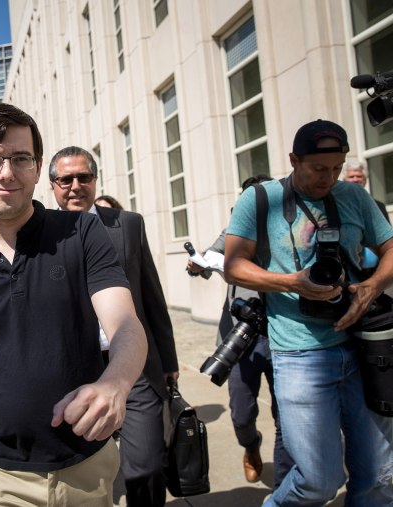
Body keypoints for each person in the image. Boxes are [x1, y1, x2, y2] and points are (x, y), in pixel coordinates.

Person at [0, 103, 148, 507]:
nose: (6, 173)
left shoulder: (82, 232)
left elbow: (126, 325)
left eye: (20, 159)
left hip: (88, 469)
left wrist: (116, 384)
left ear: (38, 166)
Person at [225, 119, 393, 506]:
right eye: (319, 169)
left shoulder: (353, 196)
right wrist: (294, 283)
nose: (329, 178)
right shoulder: (261, 199)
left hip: (362, 348)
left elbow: (389, 250)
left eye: (337, 168)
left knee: (378, 479)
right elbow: (233, 266)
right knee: (318, 482)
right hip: (299, 355)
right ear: (293, 160)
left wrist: (373, 285)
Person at [49, 146, 177, 507]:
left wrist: (167, 360)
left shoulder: (129, 224)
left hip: (133, 365)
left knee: (146, 468)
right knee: (83, 474)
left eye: (83, 177)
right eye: (65, 179)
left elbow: (151, 295)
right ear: (53, 186)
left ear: (95, 180)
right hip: (72, 370)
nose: (75, 186)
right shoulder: (38, 234)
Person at [188, 175, 293, 488]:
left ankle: (284, 484)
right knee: (242, 414)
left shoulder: (288, 231)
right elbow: (208, 259)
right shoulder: (234, 229)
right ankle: (250, 445)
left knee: (285, 414)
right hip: (240, 336)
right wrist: (198, 264)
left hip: (281, 333)